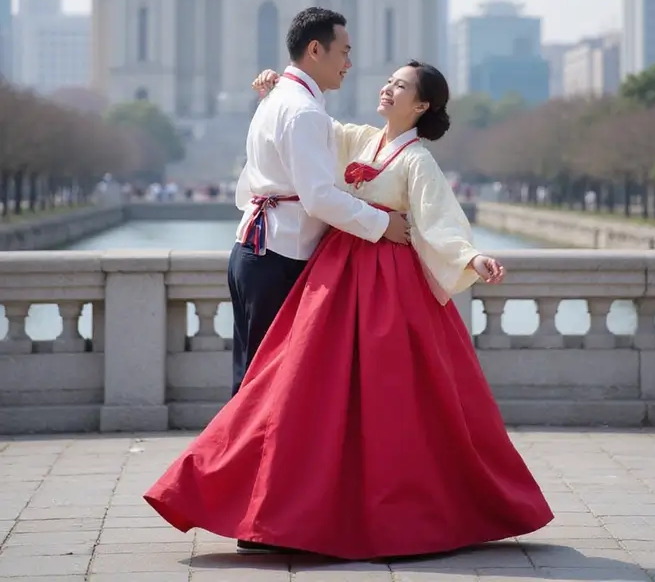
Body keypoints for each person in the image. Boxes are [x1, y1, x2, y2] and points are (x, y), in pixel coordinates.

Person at [144, 59, 553, 560]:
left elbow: (439, 222)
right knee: (298, 390)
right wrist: (276, 92)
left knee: (387, 401)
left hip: (387, 289)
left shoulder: (418, 161)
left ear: (421, 105)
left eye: (399, 86)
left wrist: (472, 256)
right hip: (333, 280)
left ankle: (391, 510)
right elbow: (313, 132)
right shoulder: (360, 138)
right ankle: (284, 503)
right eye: (389, 81)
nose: (386, 88)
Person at [226, 7, 409, 398]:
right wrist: (382, 225)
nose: (349, 63)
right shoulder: (302, 110)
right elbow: (319, 198)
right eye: (343, 51)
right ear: (315, 50)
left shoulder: (278, 98)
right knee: (269, 390)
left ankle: (242, 458)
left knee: (251, 383)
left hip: (256, 249)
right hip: (279, 257)